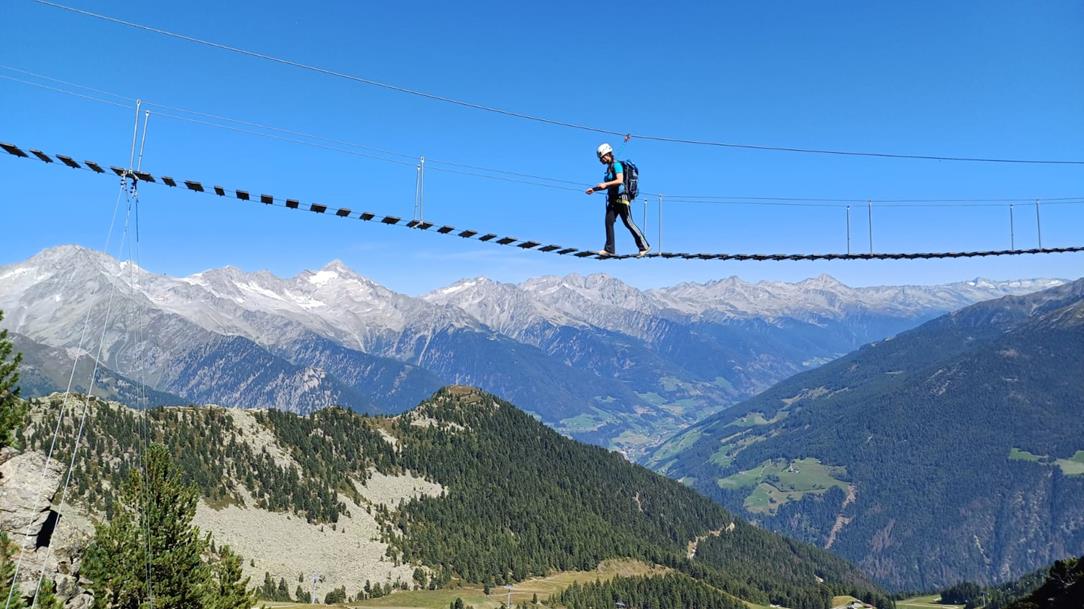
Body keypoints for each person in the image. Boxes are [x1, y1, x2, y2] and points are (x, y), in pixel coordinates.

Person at [585, 143, 650, 257]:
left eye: (602, 157)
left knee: (628, 222)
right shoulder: (609, 168)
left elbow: (620, 180)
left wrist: (605, 184)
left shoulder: (617, 165)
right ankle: (609, 249)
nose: (601, 160)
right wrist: (594, 189)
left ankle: (644, 246)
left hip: (622, 198)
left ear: (607, 154)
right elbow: (607, 185)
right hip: (613, 200)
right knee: (608, 221)